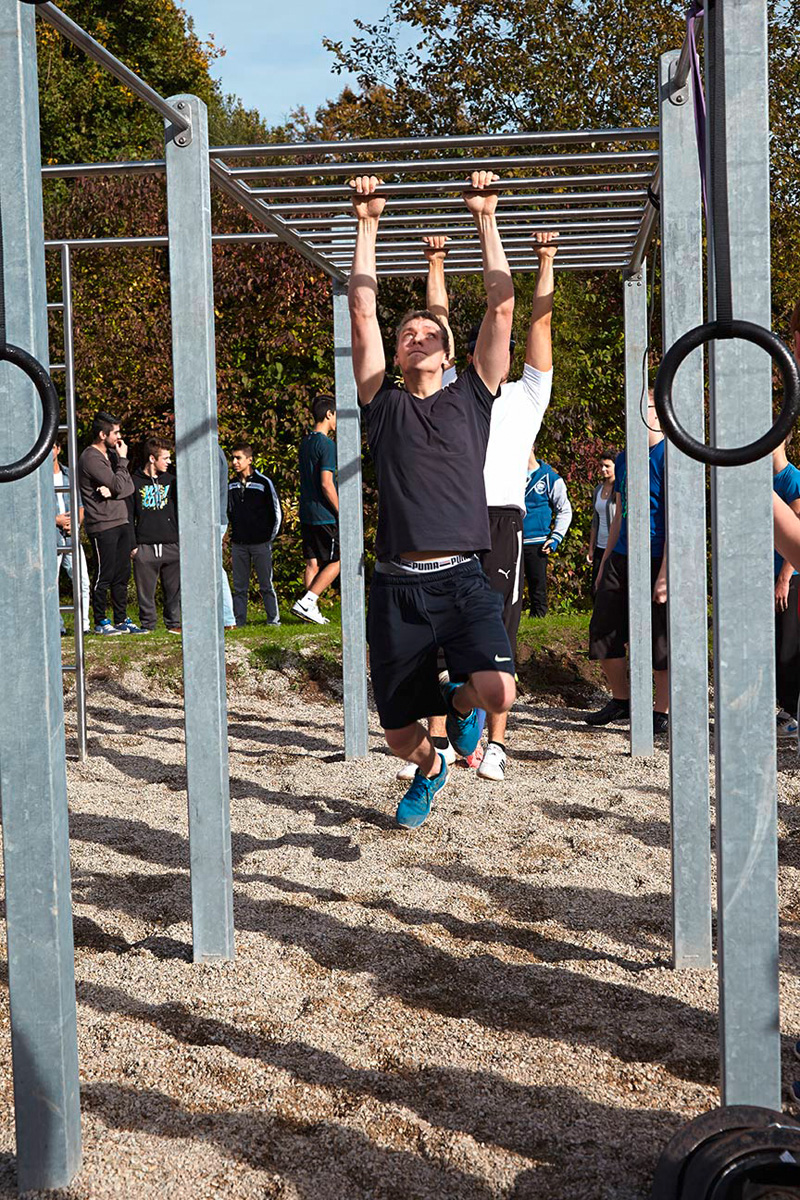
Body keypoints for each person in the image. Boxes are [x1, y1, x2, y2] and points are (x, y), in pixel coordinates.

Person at [348, 169, 517, 830]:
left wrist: (485, 216)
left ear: (449, 355)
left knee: (499, 690)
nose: (416, 337)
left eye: (429, 333)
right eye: (406, 336)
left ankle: (461, 704)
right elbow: (363, 312)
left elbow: (501, 307)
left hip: (462, 579)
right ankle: (431, 767)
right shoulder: (383, 405)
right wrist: (368, 224)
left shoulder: (473, 396)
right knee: (398, 735)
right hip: (396, 586)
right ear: (396, 357)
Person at [410, 229, 560, 784]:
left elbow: (539, 325)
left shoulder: (528, 394)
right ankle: (441, 738)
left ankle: (496, 743)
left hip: (501, 520)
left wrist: (545, 260)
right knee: (439, 628)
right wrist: (436, 261)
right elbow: (436, 326)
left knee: (498, 631)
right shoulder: (458, 392)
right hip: (452, 516)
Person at [586, 390, 669, 734]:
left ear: (658, 412)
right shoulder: (623, 459)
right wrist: (605, 563)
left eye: (642, 408)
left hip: (657, 555)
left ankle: (661, 710)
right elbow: (619, 513)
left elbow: (677, 516)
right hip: (621, 555)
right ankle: (622, 700)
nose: (632, 415)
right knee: (602, 629)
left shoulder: (668, 455)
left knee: (660, 637)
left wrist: (666, 573)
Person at [78, 411, 142, 635]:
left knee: (122, 574)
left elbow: (128, 487)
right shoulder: (91, 458)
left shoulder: (113, 455)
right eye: (116, 432)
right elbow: (118, 483)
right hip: (102, 524)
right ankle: (100, 620)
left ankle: (121, 618)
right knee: (104, 574)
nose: (119, 437)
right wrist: (122, 465)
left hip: (121, 520)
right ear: (102, 434)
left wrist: (114, 491)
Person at [292, 394, 340, 625]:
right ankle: (308, 602)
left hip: (307, 512)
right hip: (324, 515)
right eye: (337, 415)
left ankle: (309, 611)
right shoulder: (327, 444)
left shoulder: (305, 442)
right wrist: (341, 511)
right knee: (339, 560)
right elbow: (326, 483)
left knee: (313, 563)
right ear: (329, 414)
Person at [227, 441, 282, 627]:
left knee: (266, 584)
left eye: (238, 458)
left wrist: (268, 538)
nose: (235, 462)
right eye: (233, 458)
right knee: (239, 587)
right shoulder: (231, 485)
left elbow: (276, 512)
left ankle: (273, 620)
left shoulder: (264, 482)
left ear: (249, 460)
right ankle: (239, 621)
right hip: (239, 543)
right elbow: (229, 510)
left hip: (261, 543)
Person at [130, 436, 181, 634]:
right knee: (145, 592)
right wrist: (133, 546)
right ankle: (148, 625)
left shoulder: (172, 481)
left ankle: (174, 624)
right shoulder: (134, 481)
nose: (169, 462)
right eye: (165, 458)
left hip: (171, 544)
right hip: (145, 546)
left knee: (173, 590)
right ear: (152, 459)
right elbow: (128, 515)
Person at [522, 448, 573, 618]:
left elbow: (564, 509)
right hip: (512, 539)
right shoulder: (512, 475)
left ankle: (539, 620)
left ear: (532, 447)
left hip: (537, 542)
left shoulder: (550, 478)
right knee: (509, 585)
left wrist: (555, 537)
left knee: (537, 586)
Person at [53, 440, 90, 635]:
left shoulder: (69, 475)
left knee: (82, 581)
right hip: (51, 538)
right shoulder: (38, 479)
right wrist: (55, 520)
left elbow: (81, 506)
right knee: (52, 584)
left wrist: (75, 524)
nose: (50, 452)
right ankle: (57, 626)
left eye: (53, 447)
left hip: (70, 536)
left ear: (58, 449)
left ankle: (83, 625)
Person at [587, 452, 617, 594]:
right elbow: (595, 521)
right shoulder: (598, 490)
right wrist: (591, 548)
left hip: (615, 547)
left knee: (610, 587)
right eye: (601, 466)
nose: (603, 469)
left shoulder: (620, 490)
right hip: (600, 546)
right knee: (595, 588)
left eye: (607, 466)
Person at [218, 441, 236, 630]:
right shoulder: (213, 450)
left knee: (213, 568)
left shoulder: (210, 451)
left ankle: (227, 618)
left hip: (212, 519)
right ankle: (225, 617)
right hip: (214, 518)